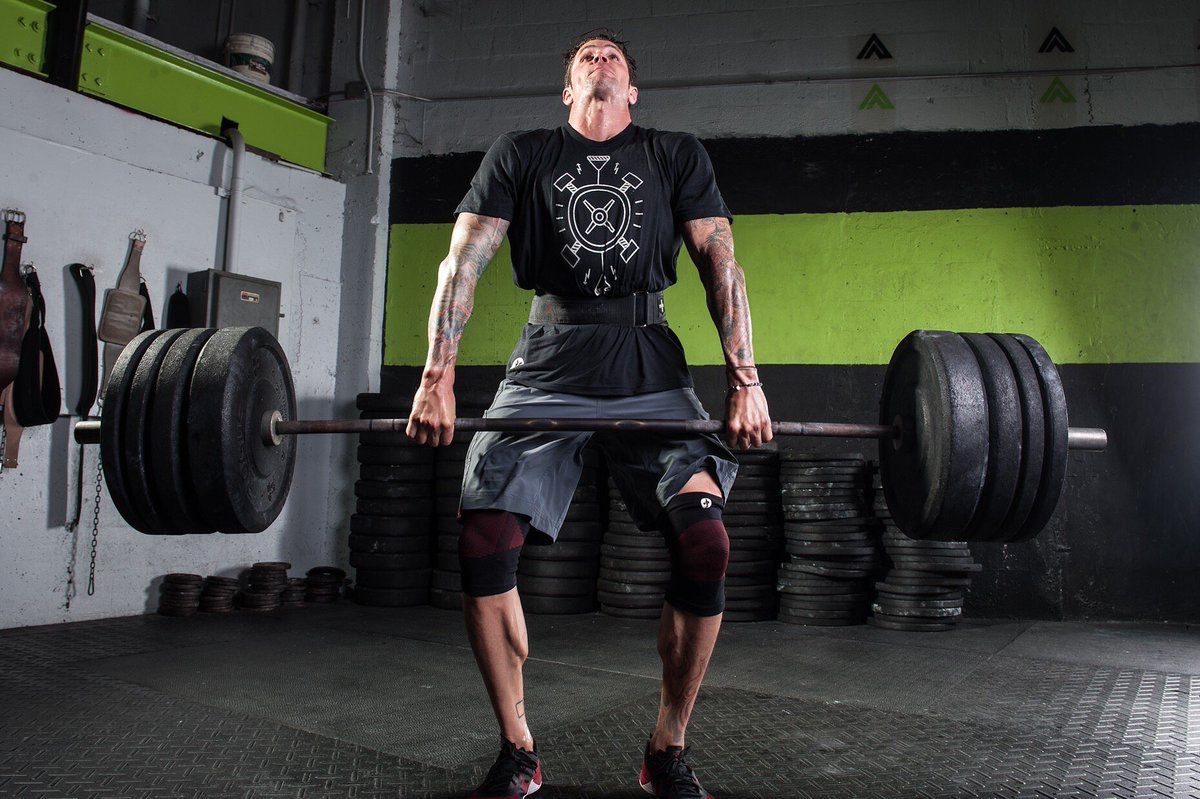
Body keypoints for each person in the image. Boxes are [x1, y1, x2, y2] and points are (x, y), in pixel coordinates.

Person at [406, 29, 772, 799]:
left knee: (706, 543)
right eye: (585, 57)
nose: (600, 60)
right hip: (548, 356)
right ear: (566, 89)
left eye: (614, 58)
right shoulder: (523, 152)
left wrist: (746, 379)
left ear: (633, 90)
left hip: (647, 358)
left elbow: (722, 265)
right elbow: (463, 260)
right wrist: (437, 372)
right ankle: (517, 750)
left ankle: (667, 747)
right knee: (483, 539)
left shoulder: (675, 154)